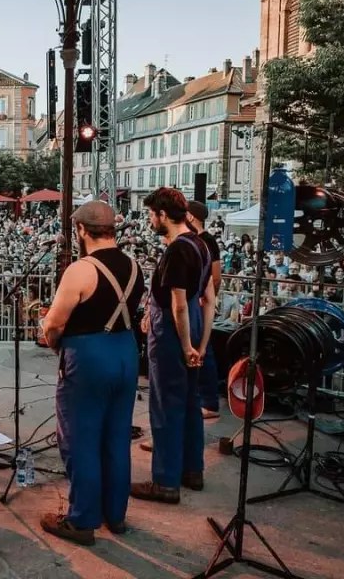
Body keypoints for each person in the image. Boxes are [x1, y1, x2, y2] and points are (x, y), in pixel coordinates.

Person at [39, 201, 145, 546]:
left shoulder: (80, 270)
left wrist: (55, 344)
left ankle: (82, 519)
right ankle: (115, 515)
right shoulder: (134, 265)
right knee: (116, 437)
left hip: (89, 357)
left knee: (80, 439)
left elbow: (54, 324)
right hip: (125, 352)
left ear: (81, 230)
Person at [132, 188, 216, 504]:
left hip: (173, 332)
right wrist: (201, 345)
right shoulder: (201, 244)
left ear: (163, 215)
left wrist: (185, 346)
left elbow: (178, 305)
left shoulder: (177, 250)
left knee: (166, 405)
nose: (150, 220)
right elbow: (209, 300)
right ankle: (193, 470)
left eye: (151, 214)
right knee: (191, 402)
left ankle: (165, 481)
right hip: (194, 325)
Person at [186, 200, 223, 419]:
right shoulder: (195, 240)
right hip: (195, 301)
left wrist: (206, 298)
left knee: (203, 349)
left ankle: (209, 403)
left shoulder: (207, 241)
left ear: (191, 217)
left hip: (200, 303)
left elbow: (216, 277)